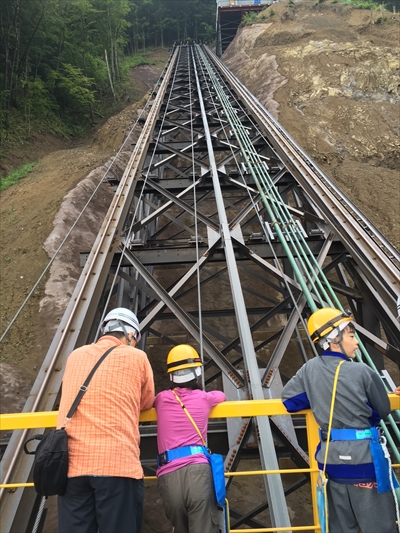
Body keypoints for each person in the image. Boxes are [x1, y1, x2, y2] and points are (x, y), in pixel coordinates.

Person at [282, 307, 398, 533]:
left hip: (331, 461)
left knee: (341, 527)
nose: (356, 343)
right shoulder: (362, 372)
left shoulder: (309, 369)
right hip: (365, 460)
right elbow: (382, 409)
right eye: (352, 335)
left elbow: (289, 401)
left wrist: (318, 398)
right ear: (334, 339)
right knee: (380, 526)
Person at [56, 307, 155, 533]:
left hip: (72, 466)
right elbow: (146, 402)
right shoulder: (137, 357)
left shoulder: (75, 356)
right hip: (117, 464)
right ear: (130, 335)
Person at [154, 344, 226, 533]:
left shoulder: (161, 399)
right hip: (197, 471)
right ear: (196, 373)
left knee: (179, 528)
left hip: (168, 473)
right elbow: (221, 395)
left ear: (171, 375)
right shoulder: (204, 398)